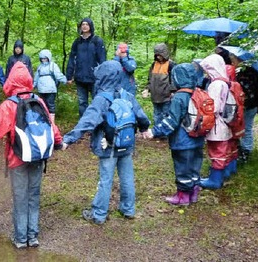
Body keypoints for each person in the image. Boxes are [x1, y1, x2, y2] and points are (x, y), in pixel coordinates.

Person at [0, 62, 63, 249]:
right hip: (38, 157)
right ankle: (33, 237)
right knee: (33, 195)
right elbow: (51, 126)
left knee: (20, 198)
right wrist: (58, 142)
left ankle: (20, 239)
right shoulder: (38, 101)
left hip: (17, 159)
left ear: (11, 80)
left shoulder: (9, 105)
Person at [61, 61, 151, 225]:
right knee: (127, 177)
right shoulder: (126, 95)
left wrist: (68, 139)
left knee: (105, 180)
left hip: (108, 145)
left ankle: (98, 214)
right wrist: (145, 129)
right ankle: (128, 209)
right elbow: (141, 116)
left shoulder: (101, 99)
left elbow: (87, 122)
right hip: (127, 143)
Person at [144, 64, 206, 206]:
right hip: (198, 138)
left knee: (182, 168)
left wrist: (154, 131)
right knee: (194, 167)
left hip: (182, 141)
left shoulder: (179, 97)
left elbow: (172, 121)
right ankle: (194, 193)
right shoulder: (198, 92)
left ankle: (183, 196)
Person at [198, 54, 232, 189]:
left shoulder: (216, 85)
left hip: (217, 124)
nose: (206, 72)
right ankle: (221, 175)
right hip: (224, 122)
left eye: (207, 69)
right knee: (222, 150)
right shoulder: (225, 82)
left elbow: (213, 107)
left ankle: (214, 181)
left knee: (217, 151)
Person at [66, 18, 107, 117]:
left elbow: (102, 60)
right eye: (82, 24)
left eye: (86, 24)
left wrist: (103, 76)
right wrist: (69, 76)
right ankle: (83, 126)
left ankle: (96, 125)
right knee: (82, 103)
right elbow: (72, 59)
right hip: (80, 78)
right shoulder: (77, 42)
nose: (84, 26)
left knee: (96, 102)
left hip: (94, 78)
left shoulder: (97, 41)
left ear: (90, 26)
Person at [236, 64, 258, 162]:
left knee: (236, 128)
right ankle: (247, 150)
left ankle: (237, 149)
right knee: (248, 128)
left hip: (240, 107)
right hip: (252, 107)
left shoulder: (239, 78)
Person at [146, 43, 176, 125]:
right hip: (155, 96)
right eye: (157, 55)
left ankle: (165, 133)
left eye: (160, 55)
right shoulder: (154, 65)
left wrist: (172, 92)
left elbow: (174, 80)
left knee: (165, 115)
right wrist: (147, 89)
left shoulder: (171, 65)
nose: (159, 57)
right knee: (156, 115)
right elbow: (150, 78)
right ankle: (157, 132)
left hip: (166, 96)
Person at [33, 49, 67, 120]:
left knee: (50, 105)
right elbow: (36, 78)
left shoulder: (53, 66)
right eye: (42, 59)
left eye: (45, 58)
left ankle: (52, 121)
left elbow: (58, 75)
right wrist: (33, 85)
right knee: (43, 105)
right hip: (41, 90)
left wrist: (65, 80)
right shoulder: (40, 67)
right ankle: (44, 120)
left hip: (50, 89)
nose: (43, 60)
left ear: (49, 58)